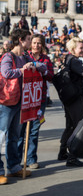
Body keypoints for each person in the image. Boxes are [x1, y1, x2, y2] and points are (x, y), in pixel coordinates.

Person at [0, 29, 47, 184]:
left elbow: (43, 68)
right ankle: (0, 170)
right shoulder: (8, 56)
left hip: (20, 101)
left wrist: (33, 65)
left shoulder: (25, 56)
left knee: (14, 136)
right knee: (1, 137)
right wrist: (22, 70)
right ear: (21, 40)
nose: (30, 42)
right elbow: (6, 73)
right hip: (6, 101)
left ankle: (13, 167)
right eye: (28, 39)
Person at [17, 34, 54, 169]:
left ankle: (31, 159)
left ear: (42, 45)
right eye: (34, 43)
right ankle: (17, 160)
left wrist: (42, 70)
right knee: (21, 131)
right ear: (30, 44)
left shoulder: (46, 59)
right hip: (25, 99)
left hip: (40, 99)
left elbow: (51, 76)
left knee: (34, 130)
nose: (36, 45)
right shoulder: (25, 57)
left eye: (39, 43)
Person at [57, 37, 83, 167]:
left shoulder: (69, 59)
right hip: (75, 98)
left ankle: (63, 151)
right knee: (78, 127)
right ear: (73, 48)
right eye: (81, 48)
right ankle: (72, 157)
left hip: (69, 98)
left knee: (70, 126)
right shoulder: (74, 61)